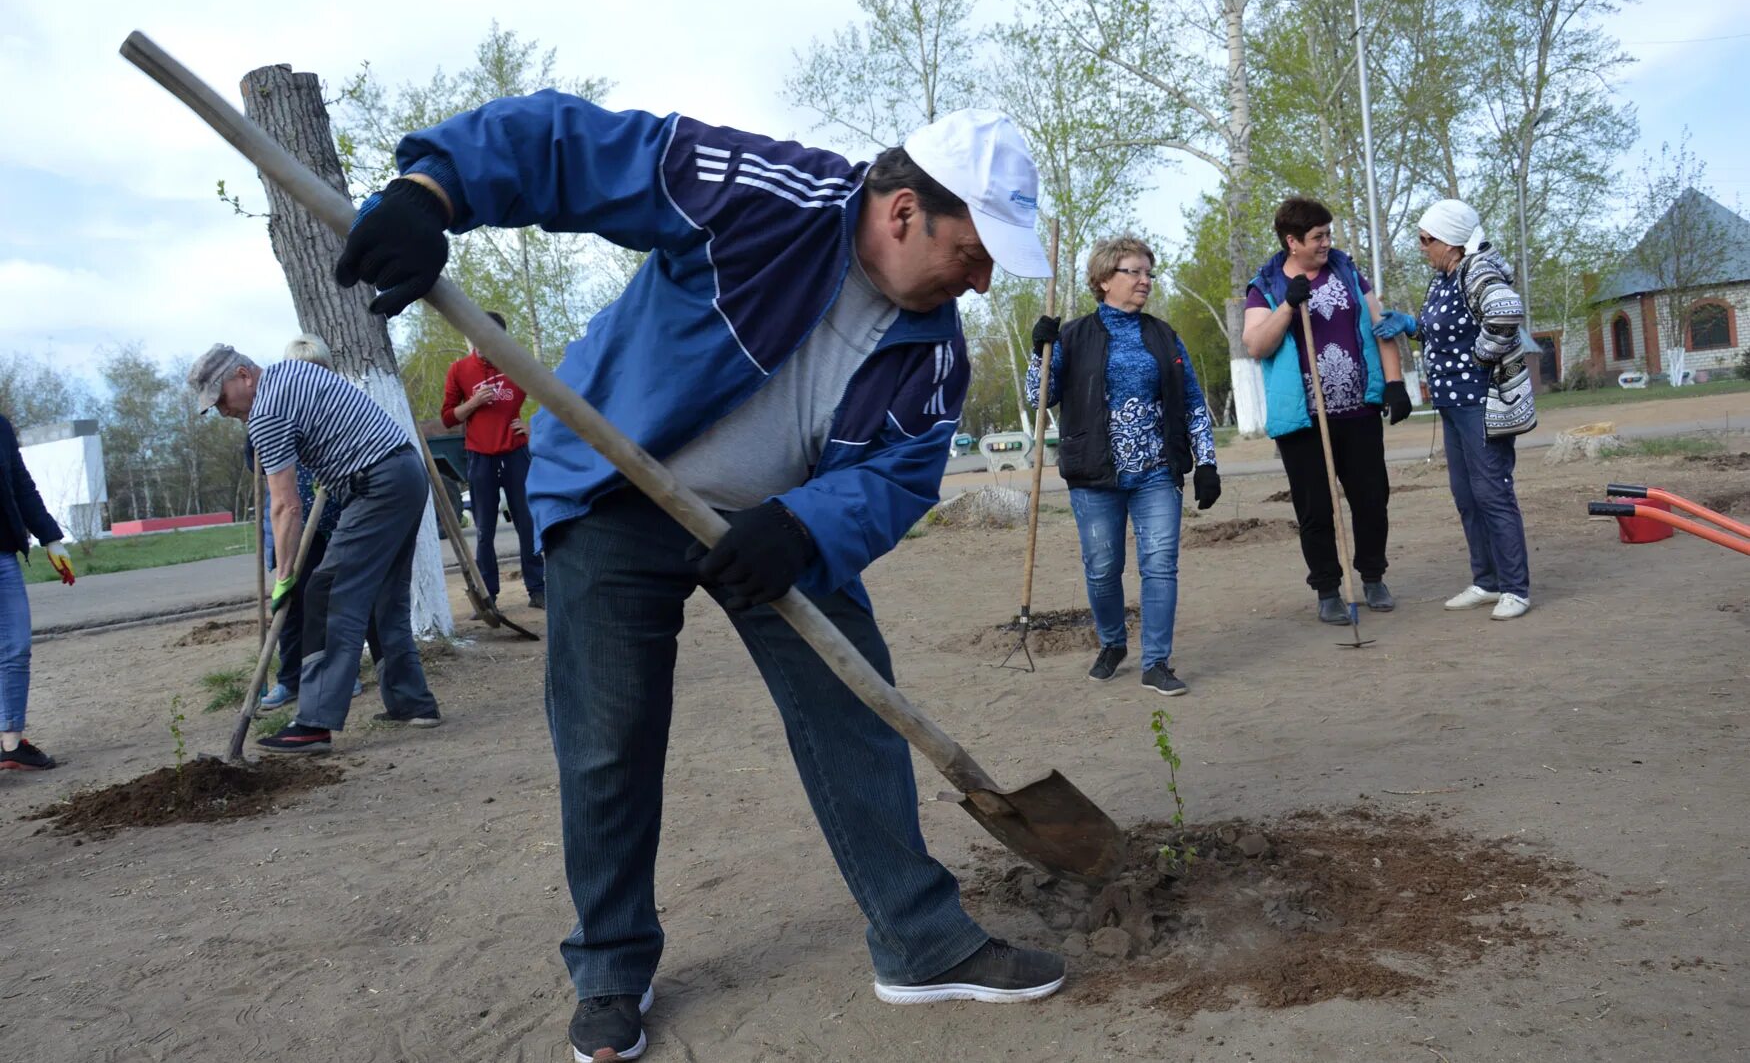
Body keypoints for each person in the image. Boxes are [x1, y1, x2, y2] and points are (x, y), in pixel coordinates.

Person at [333, 95, 1067, 1062]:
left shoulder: (933, 351)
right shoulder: (764, 196)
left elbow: (900, 473)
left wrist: (803, 529)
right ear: (903, 213)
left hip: (772, 526)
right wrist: (431, 193)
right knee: (608, 738)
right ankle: (609, 969)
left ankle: (920, 941)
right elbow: (573, 148)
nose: (976, 286)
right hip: (614, 489)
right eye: (972, 256)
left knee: (859, 705)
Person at [187, 344, 443, 753]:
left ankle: (313, 723)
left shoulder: (266, 413)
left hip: (376, 485)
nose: (222, 411)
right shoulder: (292, 372)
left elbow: (287, 505)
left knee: (324, 592)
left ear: (243, 375)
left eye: (221, 398)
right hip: (405, 471)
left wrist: (285, 577)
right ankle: (413, 703)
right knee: (383, 596)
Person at [1026, 235, 1221, 695]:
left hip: (1156, 471)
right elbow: (1039, 400)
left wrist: (1207, 462)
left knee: (1160, 566)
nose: (1144, 281)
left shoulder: (1163, 334)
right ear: (1103, 279)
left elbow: (1192, 401)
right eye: (1132, 271)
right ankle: (1113, 643)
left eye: (1148, 272)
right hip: (1094, 474)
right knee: (1101, 569)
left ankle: (1157, 661)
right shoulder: (1072, 335)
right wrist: (1040, 353)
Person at [1242, 196, 1413, 625]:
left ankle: (1372, 576)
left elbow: (1381, 326)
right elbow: (1256, 345)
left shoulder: (1346, 269)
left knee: (1372, 499)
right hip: (1303, 419)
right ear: (1292, 241)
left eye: (1328, 234)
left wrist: (1394, 384)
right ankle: (1327, 589)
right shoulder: (1265, 284)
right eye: (1318, 237)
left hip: (1357, 411)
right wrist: (1287, 305)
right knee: (1316, 507)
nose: (1326, 242)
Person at [1374, 198, 1532, 620]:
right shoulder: (1445, 277)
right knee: (1466, 495)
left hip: (1480, 403)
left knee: (1492, 492)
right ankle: (1487, 580)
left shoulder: (1477, 269)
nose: (1422, 247)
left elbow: (1505, 311)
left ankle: (1515, 588)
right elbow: (1441, 327)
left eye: (1427, 240)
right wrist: (1411, 325)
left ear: (1452, 243)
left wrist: (1480, 358)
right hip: (1451, 403)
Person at [257, 334, 364, 711]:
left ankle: (341, 674)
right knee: (290, 599)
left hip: (332, 517)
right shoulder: (273, 411)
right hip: (291, 522)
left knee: (330, 598)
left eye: (316, 370)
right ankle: (289, 678)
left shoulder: (336, 406)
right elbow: (260, 461)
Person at [442, 309, 545, 611]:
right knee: (484, 529)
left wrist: (533, 426)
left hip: (516, 453)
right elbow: (448, 417)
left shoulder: (517, 365)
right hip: (480, 457)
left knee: (527, 523)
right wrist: (473, 403)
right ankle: (488, 597)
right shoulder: (459, 369)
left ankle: (538, 589)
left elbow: (553, 396)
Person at [0, 412, 75, 770]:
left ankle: (10, 743)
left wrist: (51, 537)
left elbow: (19, 482)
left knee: (16, 647)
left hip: (2, 554)